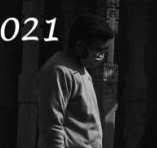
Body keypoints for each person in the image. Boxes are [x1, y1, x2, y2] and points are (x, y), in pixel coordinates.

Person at [36, 17, 112, 148]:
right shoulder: (59, 71)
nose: (101, 55)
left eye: (104, 51)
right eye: (98, 49)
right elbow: (51, 124)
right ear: (81, 46)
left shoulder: (81, 69)